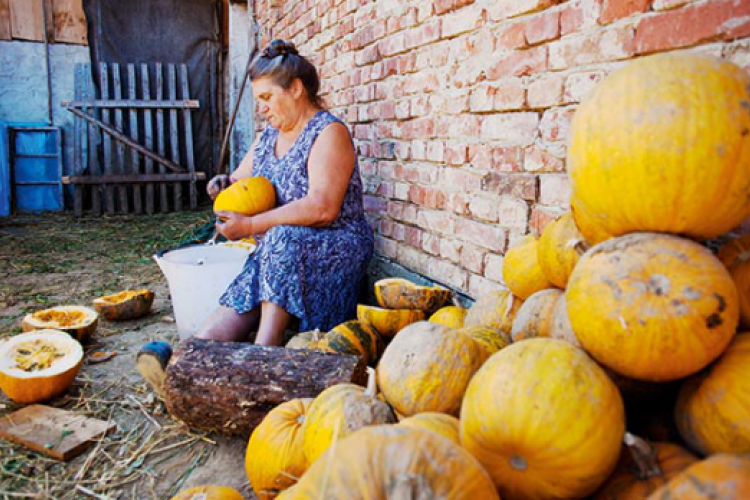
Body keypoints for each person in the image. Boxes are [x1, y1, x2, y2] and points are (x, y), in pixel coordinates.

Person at [198, 39, 374, 347]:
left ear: (295, 88)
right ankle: (190, 360)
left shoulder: (328, 132)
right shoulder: (268, 136)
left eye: (267, 96)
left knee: (281, 238)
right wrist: (222, 185)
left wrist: (251, 225)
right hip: (277, 254)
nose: (261, 107)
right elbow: (239, 180)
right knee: (211, 335)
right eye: (258, 99)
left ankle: (267, 347)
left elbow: (322, 208)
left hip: (334, 245)